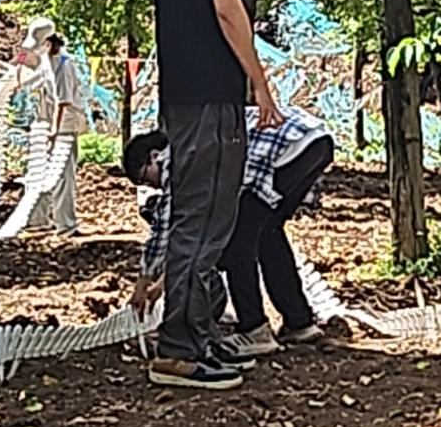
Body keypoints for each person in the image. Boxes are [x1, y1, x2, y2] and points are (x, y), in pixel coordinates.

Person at [143, 0, 282, 392]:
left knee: (196, 213)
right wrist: (259, 80)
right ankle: (179, 348)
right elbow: (227, 7)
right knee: (204, 220)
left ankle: (198, 335)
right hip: (211, 95)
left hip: (178, 91)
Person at [124, 106, 332, 358]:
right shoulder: (196, 145)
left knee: (236, 245)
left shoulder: (174, 157)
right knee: (268, 234)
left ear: (154, 156)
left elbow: (165, 228)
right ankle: (299, 322)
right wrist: (162, 283)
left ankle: (254, 329)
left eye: (147, 179)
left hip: (282, 148)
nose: (156, 187)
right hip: (315, 142)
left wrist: (143, 282)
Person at [19, 17, 87, 234]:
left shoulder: (64, 65)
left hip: (63, 126)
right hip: (46, 124)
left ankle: (65, 224)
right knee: (38, 171)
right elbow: (29, 76)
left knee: (63, 176)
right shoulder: (45, 62)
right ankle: (36, 220)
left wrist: (54, 131)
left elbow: (63, 101)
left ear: (48, 43)